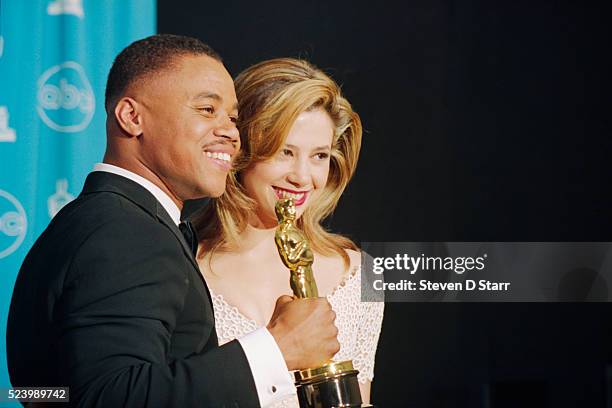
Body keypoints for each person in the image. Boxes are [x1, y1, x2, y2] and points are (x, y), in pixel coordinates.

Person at [7, 35, 340, 407]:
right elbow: (109, 396)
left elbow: (52, 392)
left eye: (232, 117)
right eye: (206, 110)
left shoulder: (98, 219)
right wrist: (277, 348)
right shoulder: (125, 231)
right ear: (132, 117)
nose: (230, 132)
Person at [194, 58, 384, 406]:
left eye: (319, 156)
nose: (302, 176)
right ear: (242, 150)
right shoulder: (186, 267)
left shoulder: (357, 273)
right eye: (285, 152)